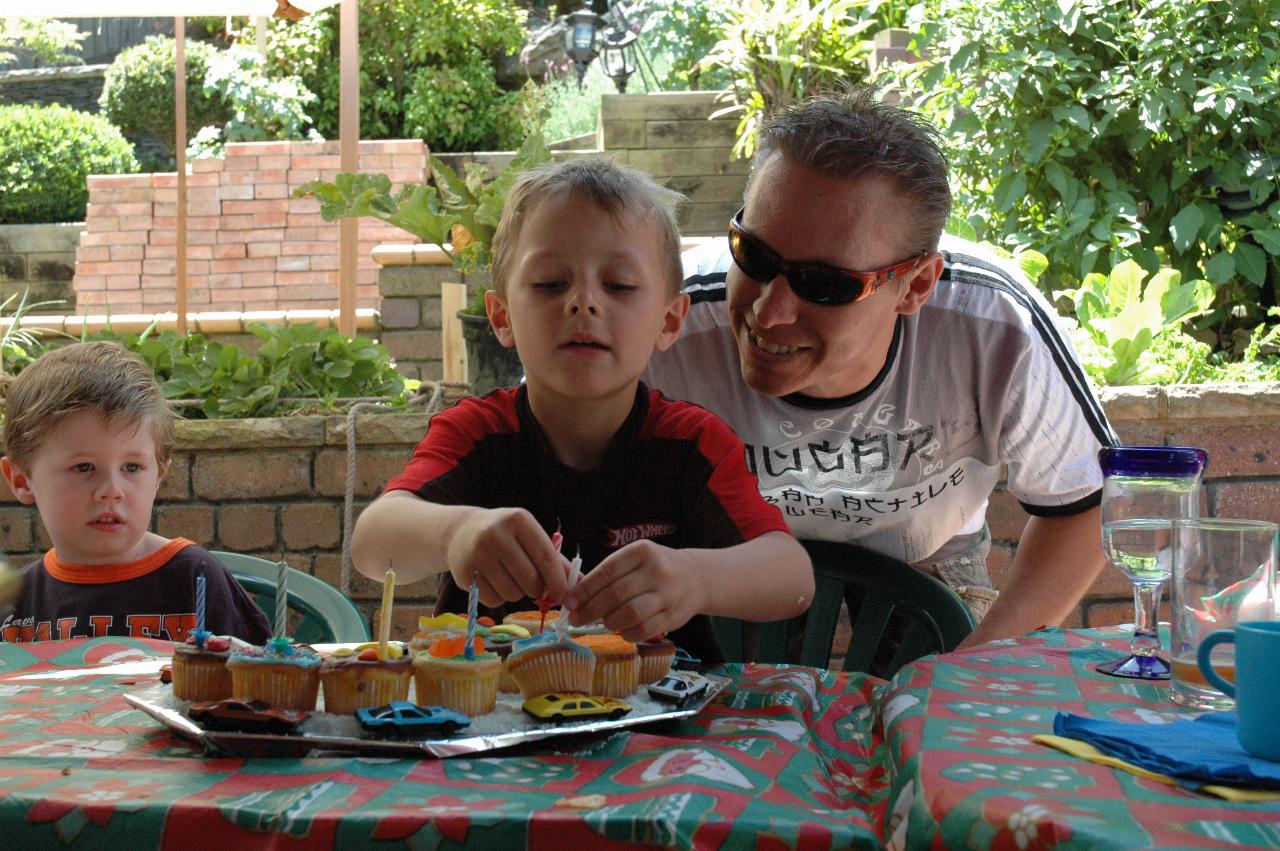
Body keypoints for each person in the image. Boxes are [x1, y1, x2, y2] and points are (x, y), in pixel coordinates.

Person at [643, 87, 1117, 649]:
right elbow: (541, 448)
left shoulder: (992, 324)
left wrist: (973, 674)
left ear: (916, 285)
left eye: (825, 284)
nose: (769, 312)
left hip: (930, 544)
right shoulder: (663, 319)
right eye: (754, 256)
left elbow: (1084, 505)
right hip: (728, 547)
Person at [351, 159, 814, 664]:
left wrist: (696, 579)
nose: (583, 303)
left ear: (669, 320)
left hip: (658, 722)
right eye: (550, 283)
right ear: (502, 317)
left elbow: (792, 577)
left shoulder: (692, 444)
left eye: (618, 285)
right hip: (492, 724)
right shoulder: (477, 432)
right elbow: (373, 544)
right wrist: (455, 533)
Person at [0, 341, 271, 643]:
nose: (112, 491)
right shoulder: (13, 605)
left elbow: (260, 678)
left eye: (131, 468)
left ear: (159, 475)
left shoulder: (196, 578)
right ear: (23, 481)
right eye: (83, 467)